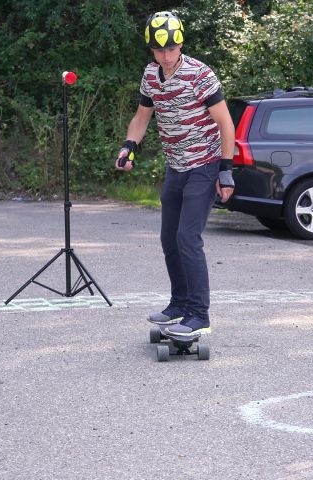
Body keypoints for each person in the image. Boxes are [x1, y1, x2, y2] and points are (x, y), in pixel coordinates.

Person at [115, 11, 235, 339]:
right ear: (151, 49)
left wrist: (226, 170)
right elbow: (141, 118)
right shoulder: (151, 75)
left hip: (205, 164)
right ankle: (180, 303)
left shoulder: (200, 75)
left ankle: (199, 314)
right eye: (159, 50)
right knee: (169, 239)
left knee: (187, 238)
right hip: (176, 166)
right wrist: (128, 147)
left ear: (180, 44)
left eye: (171, 49)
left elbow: (226, 123)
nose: (166, 56)